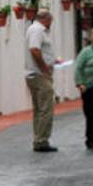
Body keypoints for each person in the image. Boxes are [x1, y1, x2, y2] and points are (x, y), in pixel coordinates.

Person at [25, 9, 58, 152]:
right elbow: (35, 50)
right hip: (39, 75)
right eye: (51, 20)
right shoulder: (37, 30)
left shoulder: (36, 30)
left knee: (40, 108)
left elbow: (40, 51)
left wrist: (52, 61)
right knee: (45, 108)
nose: (51, 23)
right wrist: (45, 69)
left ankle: (39, 139)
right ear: (46, 18)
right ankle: (41, 140)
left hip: (37, 74)